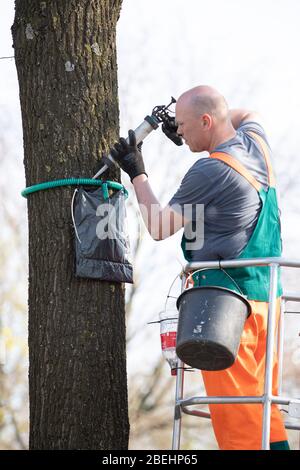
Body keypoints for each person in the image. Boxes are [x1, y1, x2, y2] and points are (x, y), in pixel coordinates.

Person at [109, 85, 289, 450]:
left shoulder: (209, 171)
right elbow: (243, 113)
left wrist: (137, 172)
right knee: (264, 411)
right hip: (270, 302)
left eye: (186, 127)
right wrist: (184, 120)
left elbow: (159, 226)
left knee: (238, 418)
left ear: (207, 121)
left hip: (230, 306)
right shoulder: (257, 145)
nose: (182, 134)